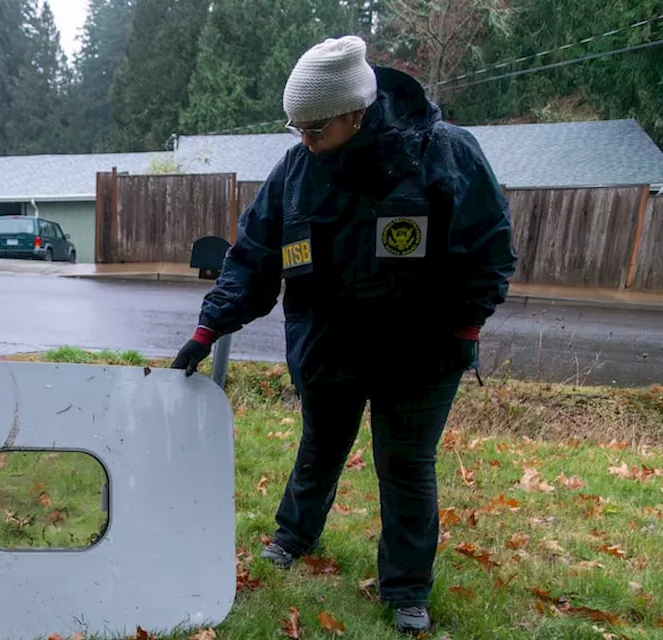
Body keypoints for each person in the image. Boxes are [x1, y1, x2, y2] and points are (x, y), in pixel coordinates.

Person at [171, 36, 516, 636]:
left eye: (314, 127)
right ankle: (293, 536)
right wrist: (210, 326)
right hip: (329, 347)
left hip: (421, 353)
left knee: (406, 466)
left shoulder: (443, 154)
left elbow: (490, 249)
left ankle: (407, 590)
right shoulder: (297, 171)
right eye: (295, 127)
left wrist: (466, 324)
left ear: (355, 112)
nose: (302, 139)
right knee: (320, 447)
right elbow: (254, 255)